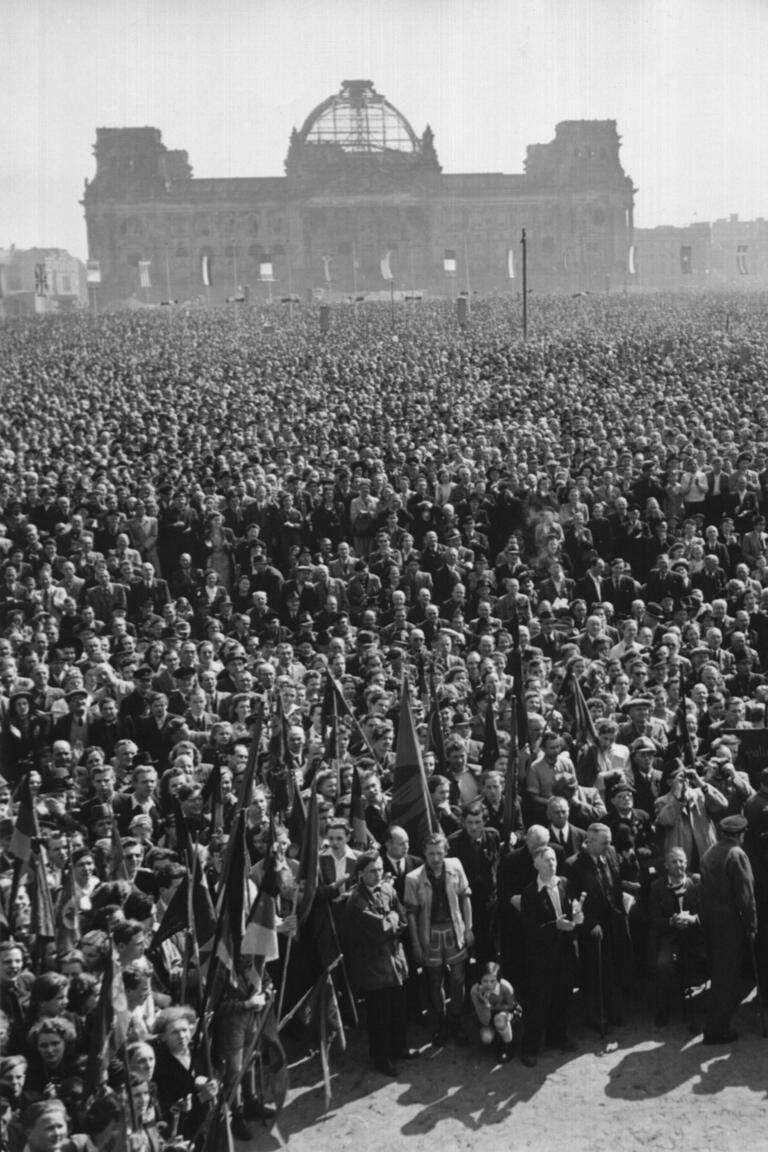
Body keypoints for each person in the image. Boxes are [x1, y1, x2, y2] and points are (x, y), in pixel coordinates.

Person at [345, 849, 415, 1076]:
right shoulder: (356, 900)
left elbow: (402, 920)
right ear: (361, 874)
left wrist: (393, 920)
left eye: (379, 869)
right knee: (378, 1013)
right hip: (373, 964)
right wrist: (391, 920)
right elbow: (378, 930)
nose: (377, 874)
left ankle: (399, 1047)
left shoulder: (388, 890)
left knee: (398, 1007)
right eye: (372, 871)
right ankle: (380, 1057)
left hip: (394, 959)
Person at [404, 832, 473, 1046]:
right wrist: (416, 943)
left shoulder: (455, 867)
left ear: (445, 852)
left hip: (454, 930)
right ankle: (441, 1022)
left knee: (458, 978)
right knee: (434, 980)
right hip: (430, 933)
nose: (435, 858)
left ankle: (456, 1019)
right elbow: (411, 914)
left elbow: (465, 897)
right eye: (431, 853)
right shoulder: (413, 878)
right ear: (424, 853)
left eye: (439, 853)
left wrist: (469, 928)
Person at [565, 823, 632, 1033]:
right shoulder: (573, 865)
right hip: (593, 926)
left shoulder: (610, 853)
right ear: (590, 841)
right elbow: (573, 900)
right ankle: (595, 1017)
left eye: (609, 842)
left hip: (615, 920)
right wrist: (589, 923)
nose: (608, 846)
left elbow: (616, 883)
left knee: (615, 967)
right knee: (594, 973)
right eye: (604, 842)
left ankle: (615, 1011)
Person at [698, 814, 758, 1044]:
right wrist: (751, 925)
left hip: (711, 920)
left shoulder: (710, 852)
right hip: (730, 923)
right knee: (725, 975)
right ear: (741, 834)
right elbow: (746, 896)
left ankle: (720, 1018)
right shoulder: (737, 854)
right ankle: (716, 1030)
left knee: (719, 972)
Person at [520, 844, 581, 1065]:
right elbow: (529, 930)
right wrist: (555, 926)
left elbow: (572, 908)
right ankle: (531, 1047)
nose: (552, 864)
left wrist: (576, 918)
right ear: (536, 864)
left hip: (563, 951)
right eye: (546, 860)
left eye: (554, 859)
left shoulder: (564, 883)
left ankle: (558, 1037)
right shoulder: (529, 893)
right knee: (539, 1001)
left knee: (563, 996)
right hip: (541, 956)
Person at [647, 847, 703, 1027]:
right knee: (663, 964)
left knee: (698, 961)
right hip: (669, 936)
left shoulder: (696, 882)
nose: (679, 865)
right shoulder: (657, 887)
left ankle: (693, 1010)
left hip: (694, 934)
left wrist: (693, 919)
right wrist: (672, 921)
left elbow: (707, 912)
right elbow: (654, 920)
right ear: (666, 865)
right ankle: (664, 1007)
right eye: (674, 861)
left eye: (682, 861)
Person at [469, 961, 521, 1064]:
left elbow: (512, 1005)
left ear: (498, 979)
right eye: (485, 981)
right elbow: (484, 1021)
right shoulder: (475, 991)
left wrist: (496, 1008)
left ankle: (508, 1046)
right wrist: (485, 1004)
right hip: (487, 1017)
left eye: (493, 981)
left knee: (499, 1021)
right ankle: (498, 1041)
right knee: (486, 1037)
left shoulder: (505, 987)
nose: (489, 985)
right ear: (480, 980)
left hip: (504, 1014)